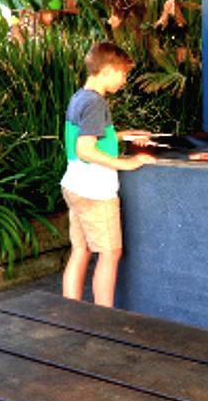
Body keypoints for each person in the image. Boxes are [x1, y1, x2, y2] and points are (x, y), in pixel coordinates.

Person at [60, 41, 154, 307]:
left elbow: (89, 135)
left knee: (81, 250)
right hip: (95, 191)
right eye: (123, 74)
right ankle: (104, 318)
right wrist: (128, 163)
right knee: (111, 252)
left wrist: (125, 135)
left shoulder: (81, 97)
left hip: (74, 186)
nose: (124, 80)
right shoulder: (95, 104)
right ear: (109, 70)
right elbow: (85, 149)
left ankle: (71, 311)